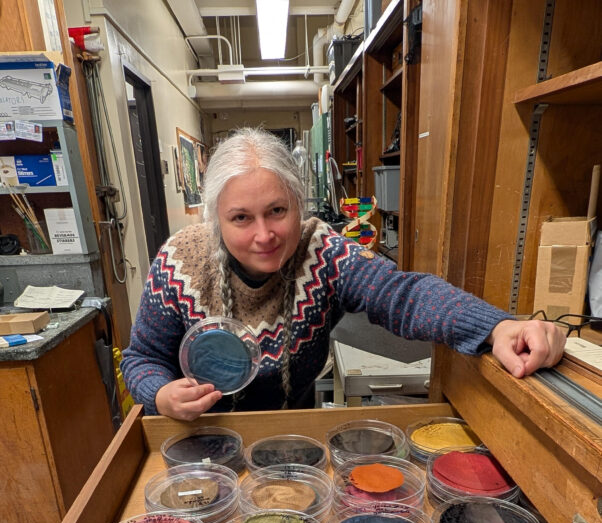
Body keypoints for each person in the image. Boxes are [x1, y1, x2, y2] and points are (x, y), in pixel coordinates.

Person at [121, 128, 566, 422]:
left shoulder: (322, 250)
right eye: (240, 218)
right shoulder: (179, 262)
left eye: (277, 210)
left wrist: (497, 325)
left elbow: (402, 295)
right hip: (196, 437)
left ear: (299, 203)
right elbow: (140, 358)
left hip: (291, 428)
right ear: (216, 219)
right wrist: (160, 395)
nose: (264, 235)